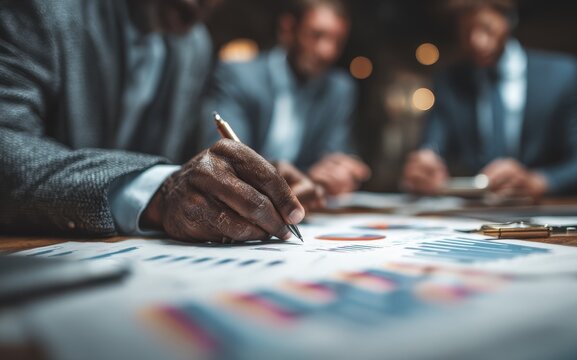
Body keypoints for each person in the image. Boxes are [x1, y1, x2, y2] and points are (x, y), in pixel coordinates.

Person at [0, 0, 322, 243]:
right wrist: (155, 192)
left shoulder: (193, 44)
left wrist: (246, 179)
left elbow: (194, 159)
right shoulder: (42, 10)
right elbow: (8, 153)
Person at [404, 0, 577, 198]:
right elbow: (434, 143)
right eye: (466, 31)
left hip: (541, 210)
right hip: (473, 214)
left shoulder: (561, 75)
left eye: (486, 28)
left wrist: (537, 181)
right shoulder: (449, 82)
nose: (476, 41)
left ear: (508, 20)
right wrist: (427, 163)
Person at [206, 0, 371, 196]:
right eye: (316, 35)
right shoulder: (240, 76)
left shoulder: (339, 89)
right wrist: (302, 177)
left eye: (338, 42)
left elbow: (333, 153)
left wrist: (340, 171)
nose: (327, 51)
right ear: (288, 29)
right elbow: (226, 158)